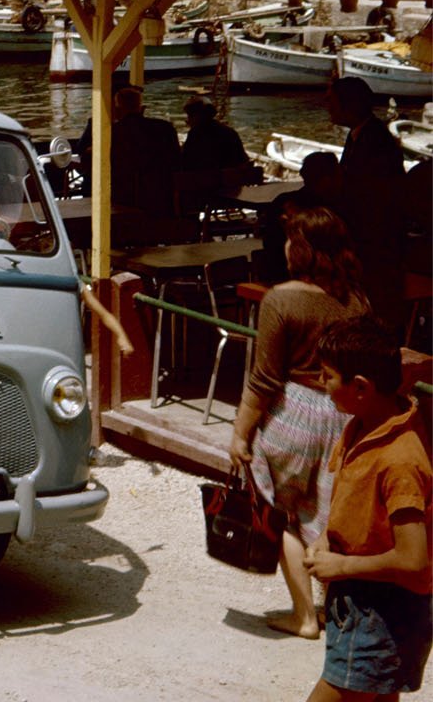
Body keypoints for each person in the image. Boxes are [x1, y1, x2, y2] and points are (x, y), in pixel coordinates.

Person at [229, 206, 370, 640]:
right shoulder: (358, 302)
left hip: (293, 412)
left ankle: (304, 616)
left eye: (291, 239)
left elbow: (265, 379)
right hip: (343, 412)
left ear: (302, 249)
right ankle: (336, 612)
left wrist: (239, 432)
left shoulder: (281, 300)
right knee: (327, 514)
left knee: (285, 514)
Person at [305, 317, 431, 701]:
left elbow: (413, 559)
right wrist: (328, 537)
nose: (321, 385)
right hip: (362, 599)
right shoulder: (363, 423)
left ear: (360, 387)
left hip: (381, 611)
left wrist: (341, 566)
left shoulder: (400, 461)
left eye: (327, 376)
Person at [327, 76, 406, 330]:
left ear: (348, 105)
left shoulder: (375, 141)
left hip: (374, 242)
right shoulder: (359, 135)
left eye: (333, 102)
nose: (328, 107)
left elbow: (373, 196)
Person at [256, 151, 339, 284]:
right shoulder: (333, 209)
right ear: (328, 178)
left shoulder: (282, 202)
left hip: (280, 273)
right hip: (300, 275)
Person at [110, 86, 182, 221]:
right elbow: (176, 159)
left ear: (118, 110)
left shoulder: (113, 132)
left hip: (125, 196)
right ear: (142, 108)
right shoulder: (165, 128)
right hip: (163, 196)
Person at [181, 96, 249, 174]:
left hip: (204, 181)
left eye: (190, 116)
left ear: (198, 116)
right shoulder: (229, 132)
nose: (188, 120)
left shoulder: (195, 134)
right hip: (230, 181)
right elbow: (242, 161)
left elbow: (186, 162)